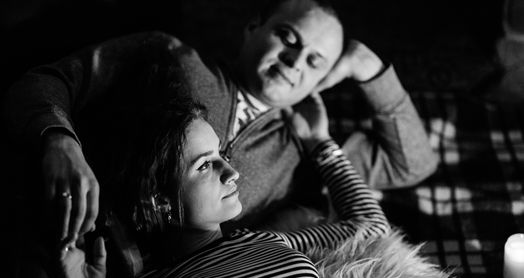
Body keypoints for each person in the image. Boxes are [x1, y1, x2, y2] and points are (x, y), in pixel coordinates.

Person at [4, 0, 437, 247]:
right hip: (61, 227)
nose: (293, 61)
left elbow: (413, 164)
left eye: (314, 61)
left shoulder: (305, 146)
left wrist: (372, 69)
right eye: (288, 37)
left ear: (322, 78)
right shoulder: (169, 54)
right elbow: (45, 81)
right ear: (253, 29)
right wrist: (58, 140)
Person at [58, 82, 389, 278]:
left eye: (220, 155)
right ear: (153, 199)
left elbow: (371, 230)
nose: (232, 173)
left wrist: (319, 142)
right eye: (204, 165)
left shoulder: (268, 241)